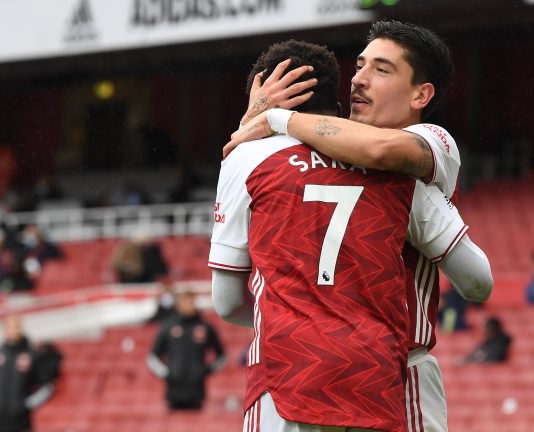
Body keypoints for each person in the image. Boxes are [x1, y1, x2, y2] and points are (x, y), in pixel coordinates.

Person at [209, 40, 492, 431]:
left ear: (421, 94)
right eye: (358, 66)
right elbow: (478, 281)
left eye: (381, 69)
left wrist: (266, 121)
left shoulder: (426, 143)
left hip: (287, 369)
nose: (359, 78)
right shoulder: (404, 182)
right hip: (387, 372)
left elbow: (227, 303)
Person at [146, 291, 226, 410]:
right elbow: (153, 356)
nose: (188, 305)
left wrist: (206, 370)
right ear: (178, 304)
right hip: (173, 391)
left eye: (190, 301)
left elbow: (221, 356)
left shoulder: (205, 327)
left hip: (197, 391)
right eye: (185, 302)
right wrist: (167, 373)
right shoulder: (168, 326)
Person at [0, 316, 54, 432]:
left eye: (17, 326)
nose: (14, 330)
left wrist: (27, 404)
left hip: (21, 420)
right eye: (10, 327)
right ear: (3, 329)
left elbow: (46, 385)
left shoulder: (32, 354)